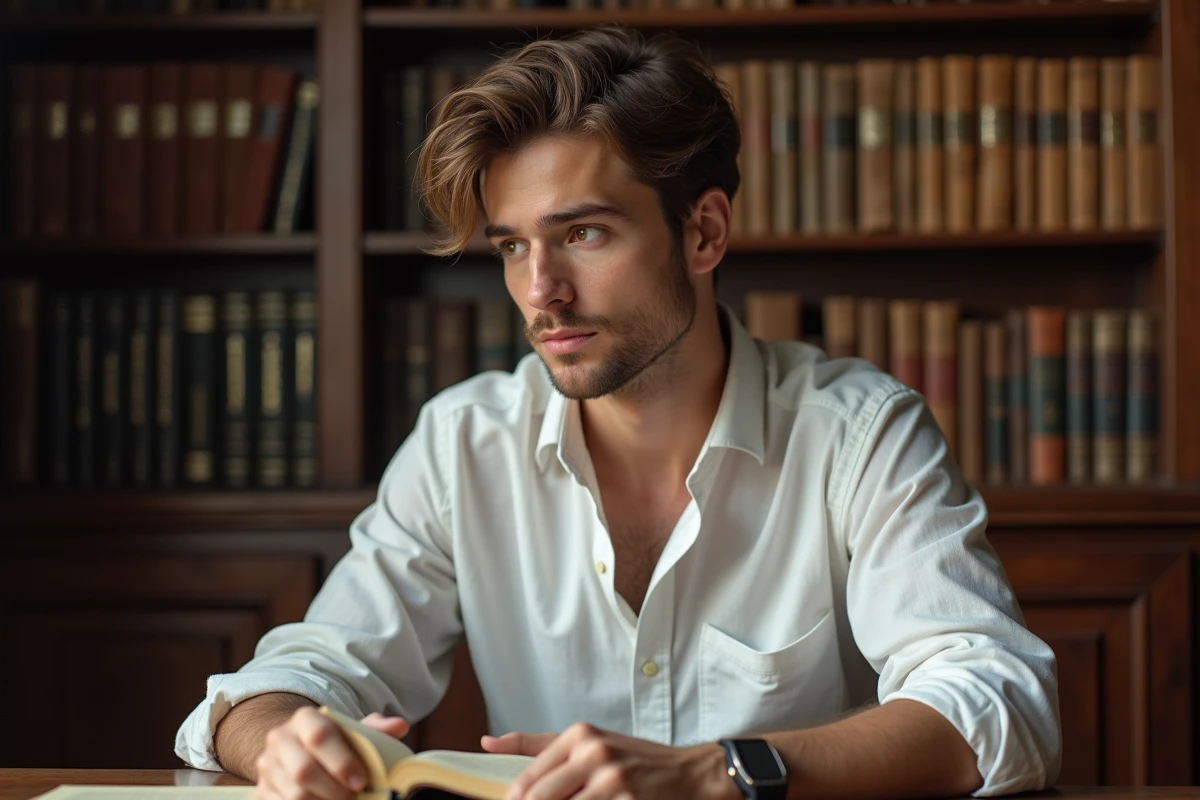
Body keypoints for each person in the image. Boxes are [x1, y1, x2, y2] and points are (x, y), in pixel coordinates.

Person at [176, 26, 1060, 800]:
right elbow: (292, 676)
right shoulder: (463, 443)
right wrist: (283, 739)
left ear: (704, 233)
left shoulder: (861, 435)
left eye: (584, 234)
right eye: (513, 246)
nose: (539, 293)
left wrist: (717, 772)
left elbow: (999, 704)